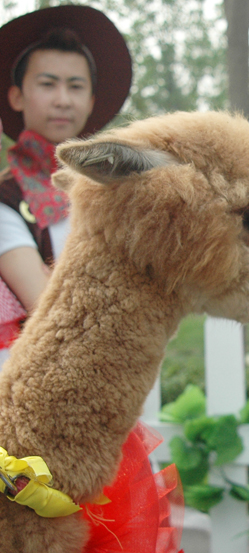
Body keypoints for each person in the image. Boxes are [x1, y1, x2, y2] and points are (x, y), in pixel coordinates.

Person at [0, 5, 132, 364]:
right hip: (34, 375)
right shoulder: (6, 197)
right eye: (47, 84)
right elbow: (44, 302)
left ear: (90, 101)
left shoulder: (115, 188)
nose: (62, 99)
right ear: (16, 96)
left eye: (75, 86)